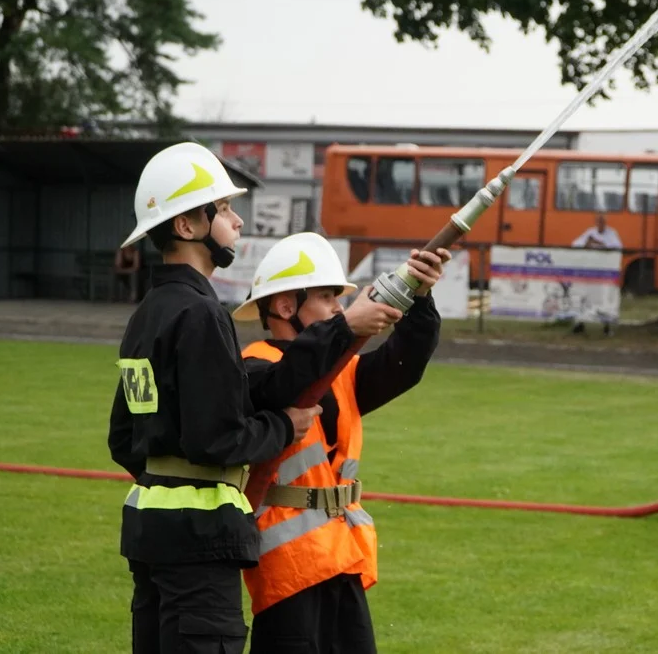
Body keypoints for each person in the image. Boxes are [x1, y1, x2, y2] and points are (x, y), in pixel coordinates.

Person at [108, 141, 322, 654]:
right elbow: (216, 436)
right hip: (202, 540)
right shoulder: (203, 315)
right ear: (187, 226)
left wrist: (166, 471)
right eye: (222, 209)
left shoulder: (146, 315)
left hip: (150, 531)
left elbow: (123, 438)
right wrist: (283, 428)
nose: (236, 221)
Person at [231, 232, 447, 654]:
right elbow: (288, 381)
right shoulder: (255, 367)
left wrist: (419, 299)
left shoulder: (340, 371)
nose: (338, 308)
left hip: (341, 556)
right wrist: (345, 330)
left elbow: (404, 365)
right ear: (284, 306)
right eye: (328, 297)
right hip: (288, 568)